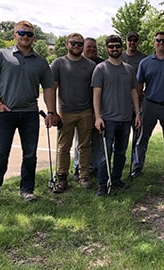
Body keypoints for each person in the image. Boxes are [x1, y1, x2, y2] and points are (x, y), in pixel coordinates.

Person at [0, 20, 57, 205]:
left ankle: (27, 189)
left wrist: (51, 112)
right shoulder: (2, 55)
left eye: (29, 34)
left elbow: (49, 88)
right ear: (14, 35)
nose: (25, 36)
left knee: (29, 154)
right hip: (6, 114)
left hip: (29, 114)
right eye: (21, 33)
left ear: (33, 37)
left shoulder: (41, 61)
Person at [92, 35, 141, 196]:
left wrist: (137, 113)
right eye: (111, 46)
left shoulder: (129, 69)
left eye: (117, 46)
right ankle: (102, 183)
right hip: (107, 119)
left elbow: (134, 92)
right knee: (105, 154)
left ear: (121, 47)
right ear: (107, 49)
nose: (114, 49)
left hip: (126, 118)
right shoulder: (100, 69)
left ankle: (116, 179)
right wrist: (98, 117)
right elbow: (96, 94)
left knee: (121, 152)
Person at [50, 33, 96, 192]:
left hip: (86, 112)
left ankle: (84, 175)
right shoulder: (58, 64)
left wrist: (95, 112)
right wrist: (53, 112)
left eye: (80, 43)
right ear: (66, 44)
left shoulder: (90, 65)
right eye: (73, 43)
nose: (76, 46)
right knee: (64, 147)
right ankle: (62, 177)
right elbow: (52, 89)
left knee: (84, 146)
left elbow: (95, 91)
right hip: (65, 112)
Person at [130, 32, 164, 178]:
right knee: (141, 138)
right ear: (154, 42)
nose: (161, 43)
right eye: (158, 40)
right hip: (149, 104)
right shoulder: (145, 62)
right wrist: (137, 108)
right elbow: (139, 86)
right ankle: (137, 167)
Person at [72, 37, 105, 181]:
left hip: (99, 109)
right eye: (88, 47)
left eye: (94, 47)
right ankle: (78, 168)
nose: (92, 49)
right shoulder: (75, 62)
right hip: (80, 109)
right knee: (81, 142)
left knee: (97, 141)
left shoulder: (102, 64)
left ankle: (96, 167)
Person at [120, 32, 147, 178]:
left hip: (139, 104)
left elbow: (150, 78)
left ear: (138, 42)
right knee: (121, 137)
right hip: (121, 103)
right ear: (126, 41)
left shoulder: (144, 59)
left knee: (138, 136)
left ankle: (136, 166)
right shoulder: (120, 57)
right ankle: (119, 163)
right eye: (129, 40)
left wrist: (145, 92)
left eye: (135, 40)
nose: (132, 42)